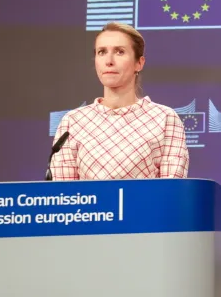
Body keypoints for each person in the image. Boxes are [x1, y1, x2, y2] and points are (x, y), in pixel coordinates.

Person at [48, 22, 189, 180]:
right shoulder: (73, 121)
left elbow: (172, 191)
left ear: (139, 63)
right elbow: (63, 195)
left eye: (119, 52)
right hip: (91, 206)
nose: (109, 61)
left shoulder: (165, 118)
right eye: (101, 52)